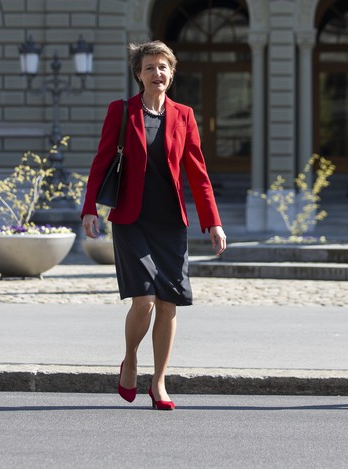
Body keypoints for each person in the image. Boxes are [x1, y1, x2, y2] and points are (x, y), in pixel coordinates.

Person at [81, 41, 226, 411]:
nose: (157, 73)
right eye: (149, 67)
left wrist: (213, 221)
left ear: (172, 73)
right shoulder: (122, 111)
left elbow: (198, 172)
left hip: (169, 223)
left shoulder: (185, 115)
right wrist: (90, 209)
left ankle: (159, 381)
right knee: (143, 299)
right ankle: (130, 358)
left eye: (163, 67)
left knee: (168, 304)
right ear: (138, 74)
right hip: (132, 219)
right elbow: (100, 163)